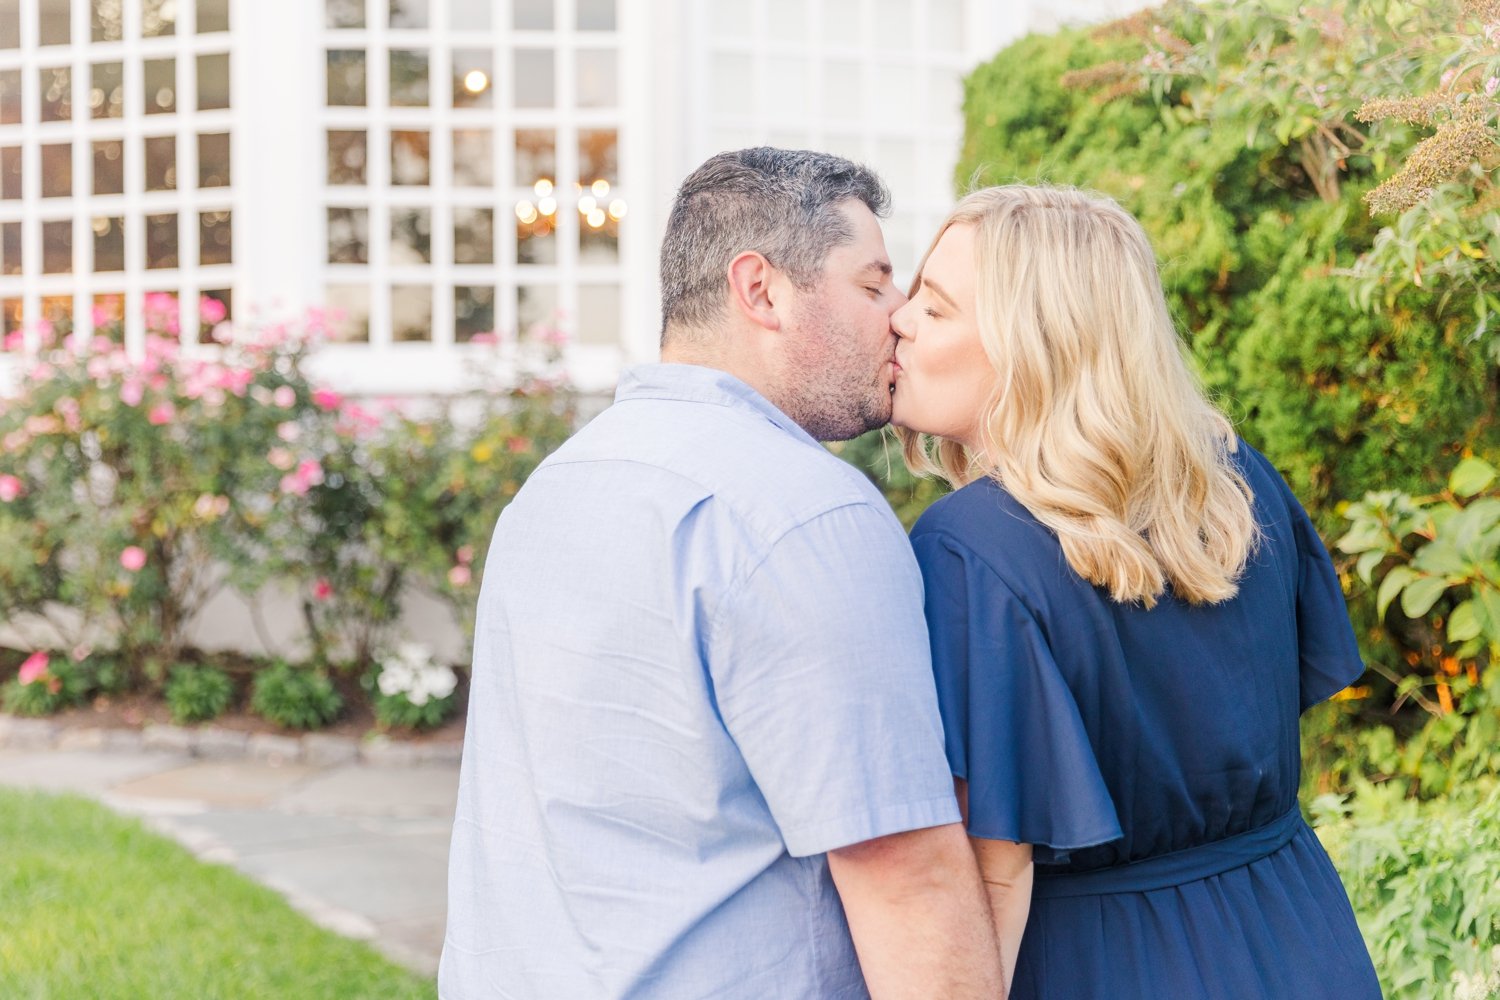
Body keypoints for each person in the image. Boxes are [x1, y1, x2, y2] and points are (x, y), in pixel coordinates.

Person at [438, 148, 1003, 1000]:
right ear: (762, 289)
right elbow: (905, 877)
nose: (899, 317)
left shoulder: (554, 489)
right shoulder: (806, 514)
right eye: (874, 283)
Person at [888, 184, 1383, 999]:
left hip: (1106, 959)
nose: (900, 322)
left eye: (934, 310)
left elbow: (994, 875)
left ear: (1035, 346)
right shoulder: (1234, 483)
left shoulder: (968, 550)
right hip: (1296, 929)